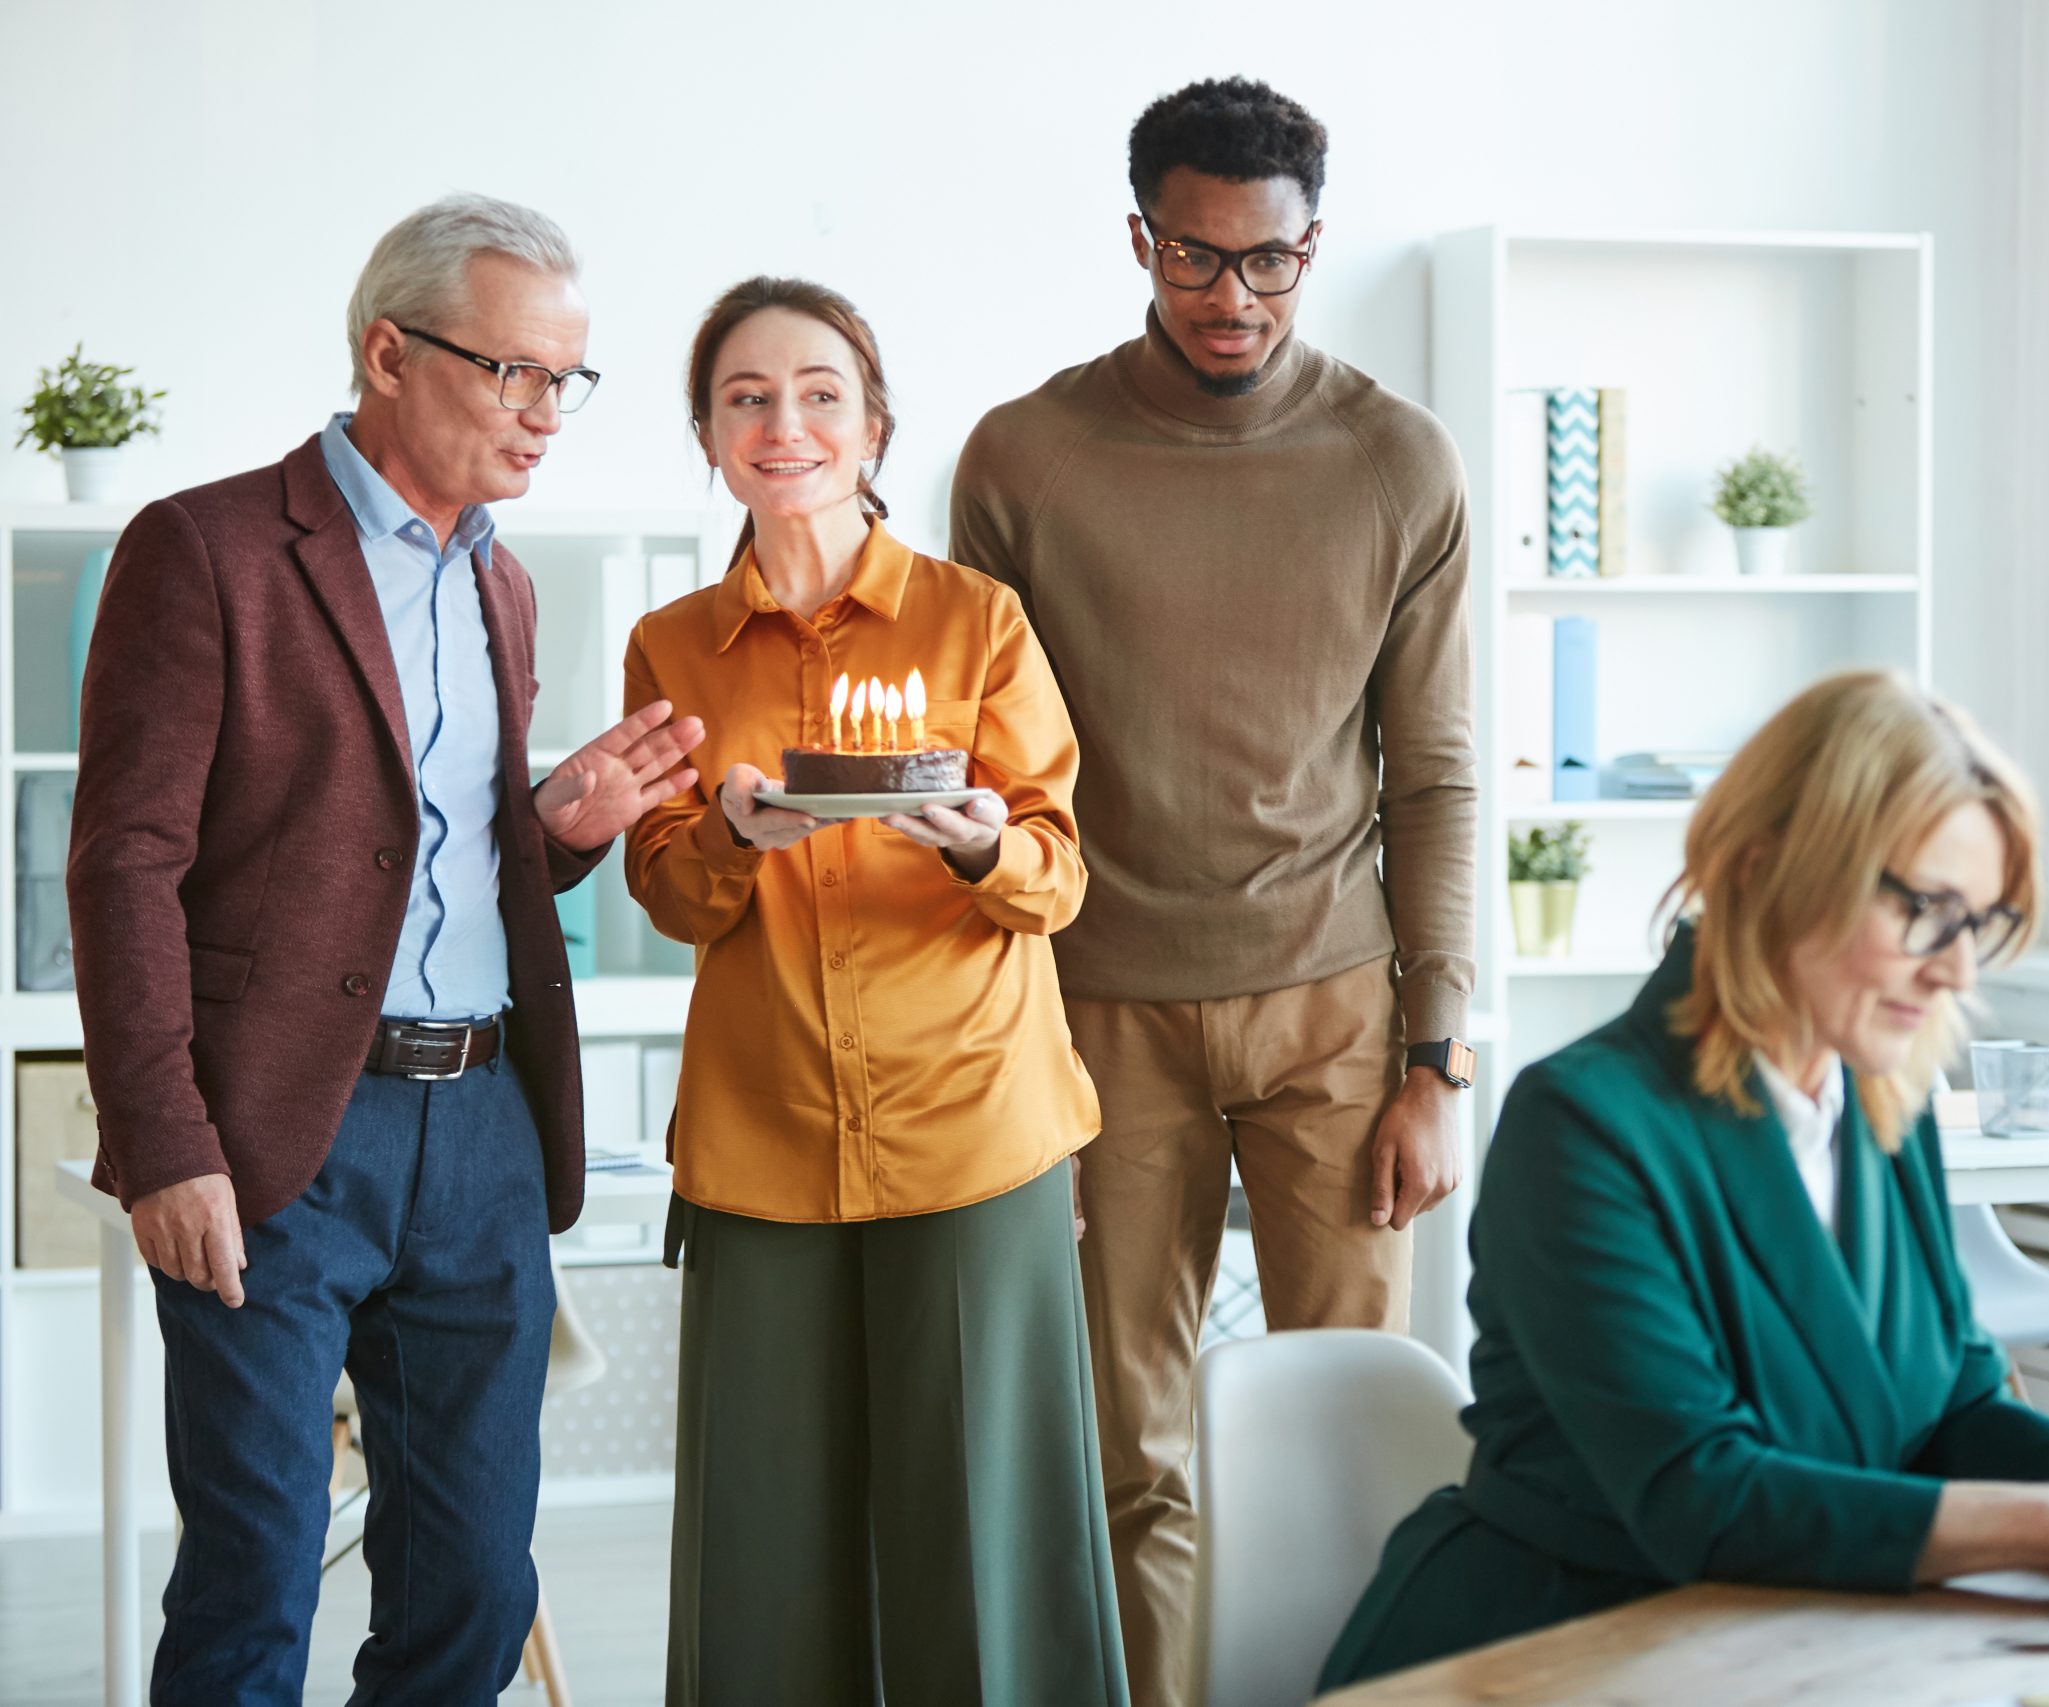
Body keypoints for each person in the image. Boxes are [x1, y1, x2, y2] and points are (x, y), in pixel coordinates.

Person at [1320, 670, 2049, 1686]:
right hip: (1561, 1650)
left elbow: (1952, 1404)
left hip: (1793, 1636)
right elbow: (1705, 1498)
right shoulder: (1584, 1123)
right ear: (1767, 869)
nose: (1956, 969)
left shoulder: (1877, 1100)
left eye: (1978, 923)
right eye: (1927, 910)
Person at [66, 194, 705, 1703]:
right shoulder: (205, 548)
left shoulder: (502, 576)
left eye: (568, 379)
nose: (548, 414)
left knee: (474, 1580)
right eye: (514, 373)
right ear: (388, 352)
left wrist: (565, 821)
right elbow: (125, 862)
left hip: (481, 1126)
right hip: (278, 1125)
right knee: (257, 1567)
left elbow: (422, 863)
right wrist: (165, 1140)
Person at [948, 76, 1476, 1704]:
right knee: (1134, 1451)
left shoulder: (1396, 458)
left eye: (1270, 262)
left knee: (1357, 1431)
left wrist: (1434, 1059)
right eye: (1195, 259)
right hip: (1097, 1015)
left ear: (1313, 245)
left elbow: (1436, 775)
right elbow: (990, 774)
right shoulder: (1026, 456)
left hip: (1336, 1009)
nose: (1233, 297)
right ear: (1140, 238)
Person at [625, 275, 1125, 1707]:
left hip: (974, 1127)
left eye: (820, 393)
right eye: (747, 397)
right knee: (763, 1547)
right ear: (711, 433)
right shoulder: (672, 646)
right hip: (761, 1135)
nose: (786, 424)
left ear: (876, 421)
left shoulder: (978, 623)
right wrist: (730, 835)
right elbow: (665, 888)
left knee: (988, 1538)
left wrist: (981, 842)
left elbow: (1057, 870)